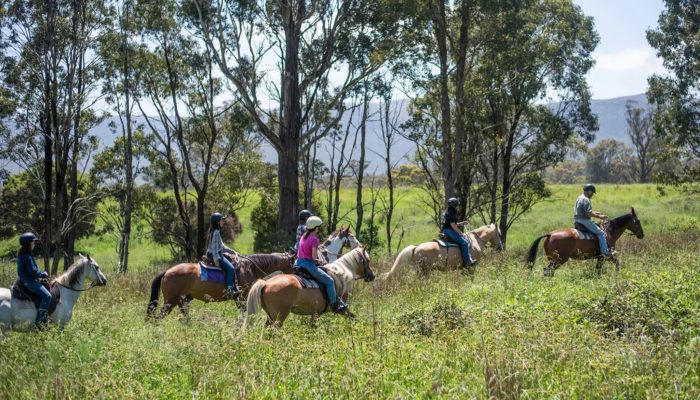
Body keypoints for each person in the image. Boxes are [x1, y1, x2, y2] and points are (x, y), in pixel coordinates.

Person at [295, 216, 348, 313]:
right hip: (308, 265)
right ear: (316, 228)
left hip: (298, 263)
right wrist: (318, 260)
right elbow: (314, 256)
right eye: (319, 226)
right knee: (329, 280)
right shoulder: (314, 239)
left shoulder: (303, 236)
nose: (319, 228)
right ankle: (334, 304)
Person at [16, 232, 52, 327]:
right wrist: (43, 274)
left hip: (24, 280)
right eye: (34, 242)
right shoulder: (27, 257)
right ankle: (39, 322)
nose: (35, 244)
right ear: (29, 243)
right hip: (29, 281)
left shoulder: (23, 254)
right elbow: (33, 272)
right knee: (47, 296)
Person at [206, 212, 240, 298]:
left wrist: (234, 252)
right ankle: (229, 289)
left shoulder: (214, 231)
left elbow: (222, 246)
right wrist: (216, 259)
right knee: (231, 268)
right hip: (216, 255)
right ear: (217, 222)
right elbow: (214, 247)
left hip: (215, 253)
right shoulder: (216, 232)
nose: (223, 222)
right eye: (222, 220)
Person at [574, 184, 611, 258]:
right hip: (584, 221)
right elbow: (589, 213)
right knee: (601, 233)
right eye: (592, 193)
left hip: (577, 220)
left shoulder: (579, 198)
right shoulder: (586, 200)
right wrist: (601, 217)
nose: (592, 195)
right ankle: (605, 253)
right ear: (589, 192)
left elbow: (585, 211)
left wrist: (597, 213)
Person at [440, 197, 475, 268]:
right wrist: (461, 233)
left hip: (445, 230)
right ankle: (467, 262)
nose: (457, 206)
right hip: (449, 231)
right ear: (454, 205)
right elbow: (453, 226)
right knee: (464, 243)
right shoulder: (451, 212)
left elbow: (452, 223)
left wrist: (462, 223)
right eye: (457, 205)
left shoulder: (447, 211)